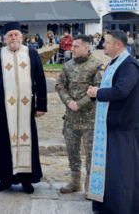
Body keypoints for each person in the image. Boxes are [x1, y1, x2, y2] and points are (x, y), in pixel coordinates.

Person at [0, 21, 47, 194]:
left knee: (27, 140)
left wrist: (41, 105)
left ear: (21, 37)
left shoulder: (32, 54)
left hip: (26, 109)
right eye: (10, 35)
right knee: (5, 143)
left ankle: (27, 180)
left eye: (16, 35)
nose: (13, 38)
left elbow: (40, 80)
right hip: (4, 108)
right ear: (4, 39)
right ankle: (6, 179)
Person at [86, 30, 139, 214]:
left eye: (107, 43)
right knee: (109, 171)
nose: (103, 45)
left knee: (121, 172)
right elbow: (109, 88)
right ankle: (105, 205)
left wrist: (97, 93)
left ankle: (121, 208)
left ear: (118, 45)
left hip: (123, 127)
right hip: (109, 125)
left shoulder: (129, 65)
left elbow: (121, 91)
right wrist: (97, 91)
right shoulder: (113, 63)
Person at [54, 34, 103, 194]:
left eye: (76, 46)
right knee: (72, 152)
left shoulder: (97, 66)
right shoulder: (67, 65)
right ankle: (75, 182)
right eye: (72, 46)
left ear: (86, 47)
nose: (72, 49)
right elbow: (60, 85)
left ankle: (90, 186)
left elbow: (98, 89)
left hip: (90, 119)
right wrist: (69, 102)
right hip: (71, 119)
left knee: (90, 154)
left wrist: (79, 104)